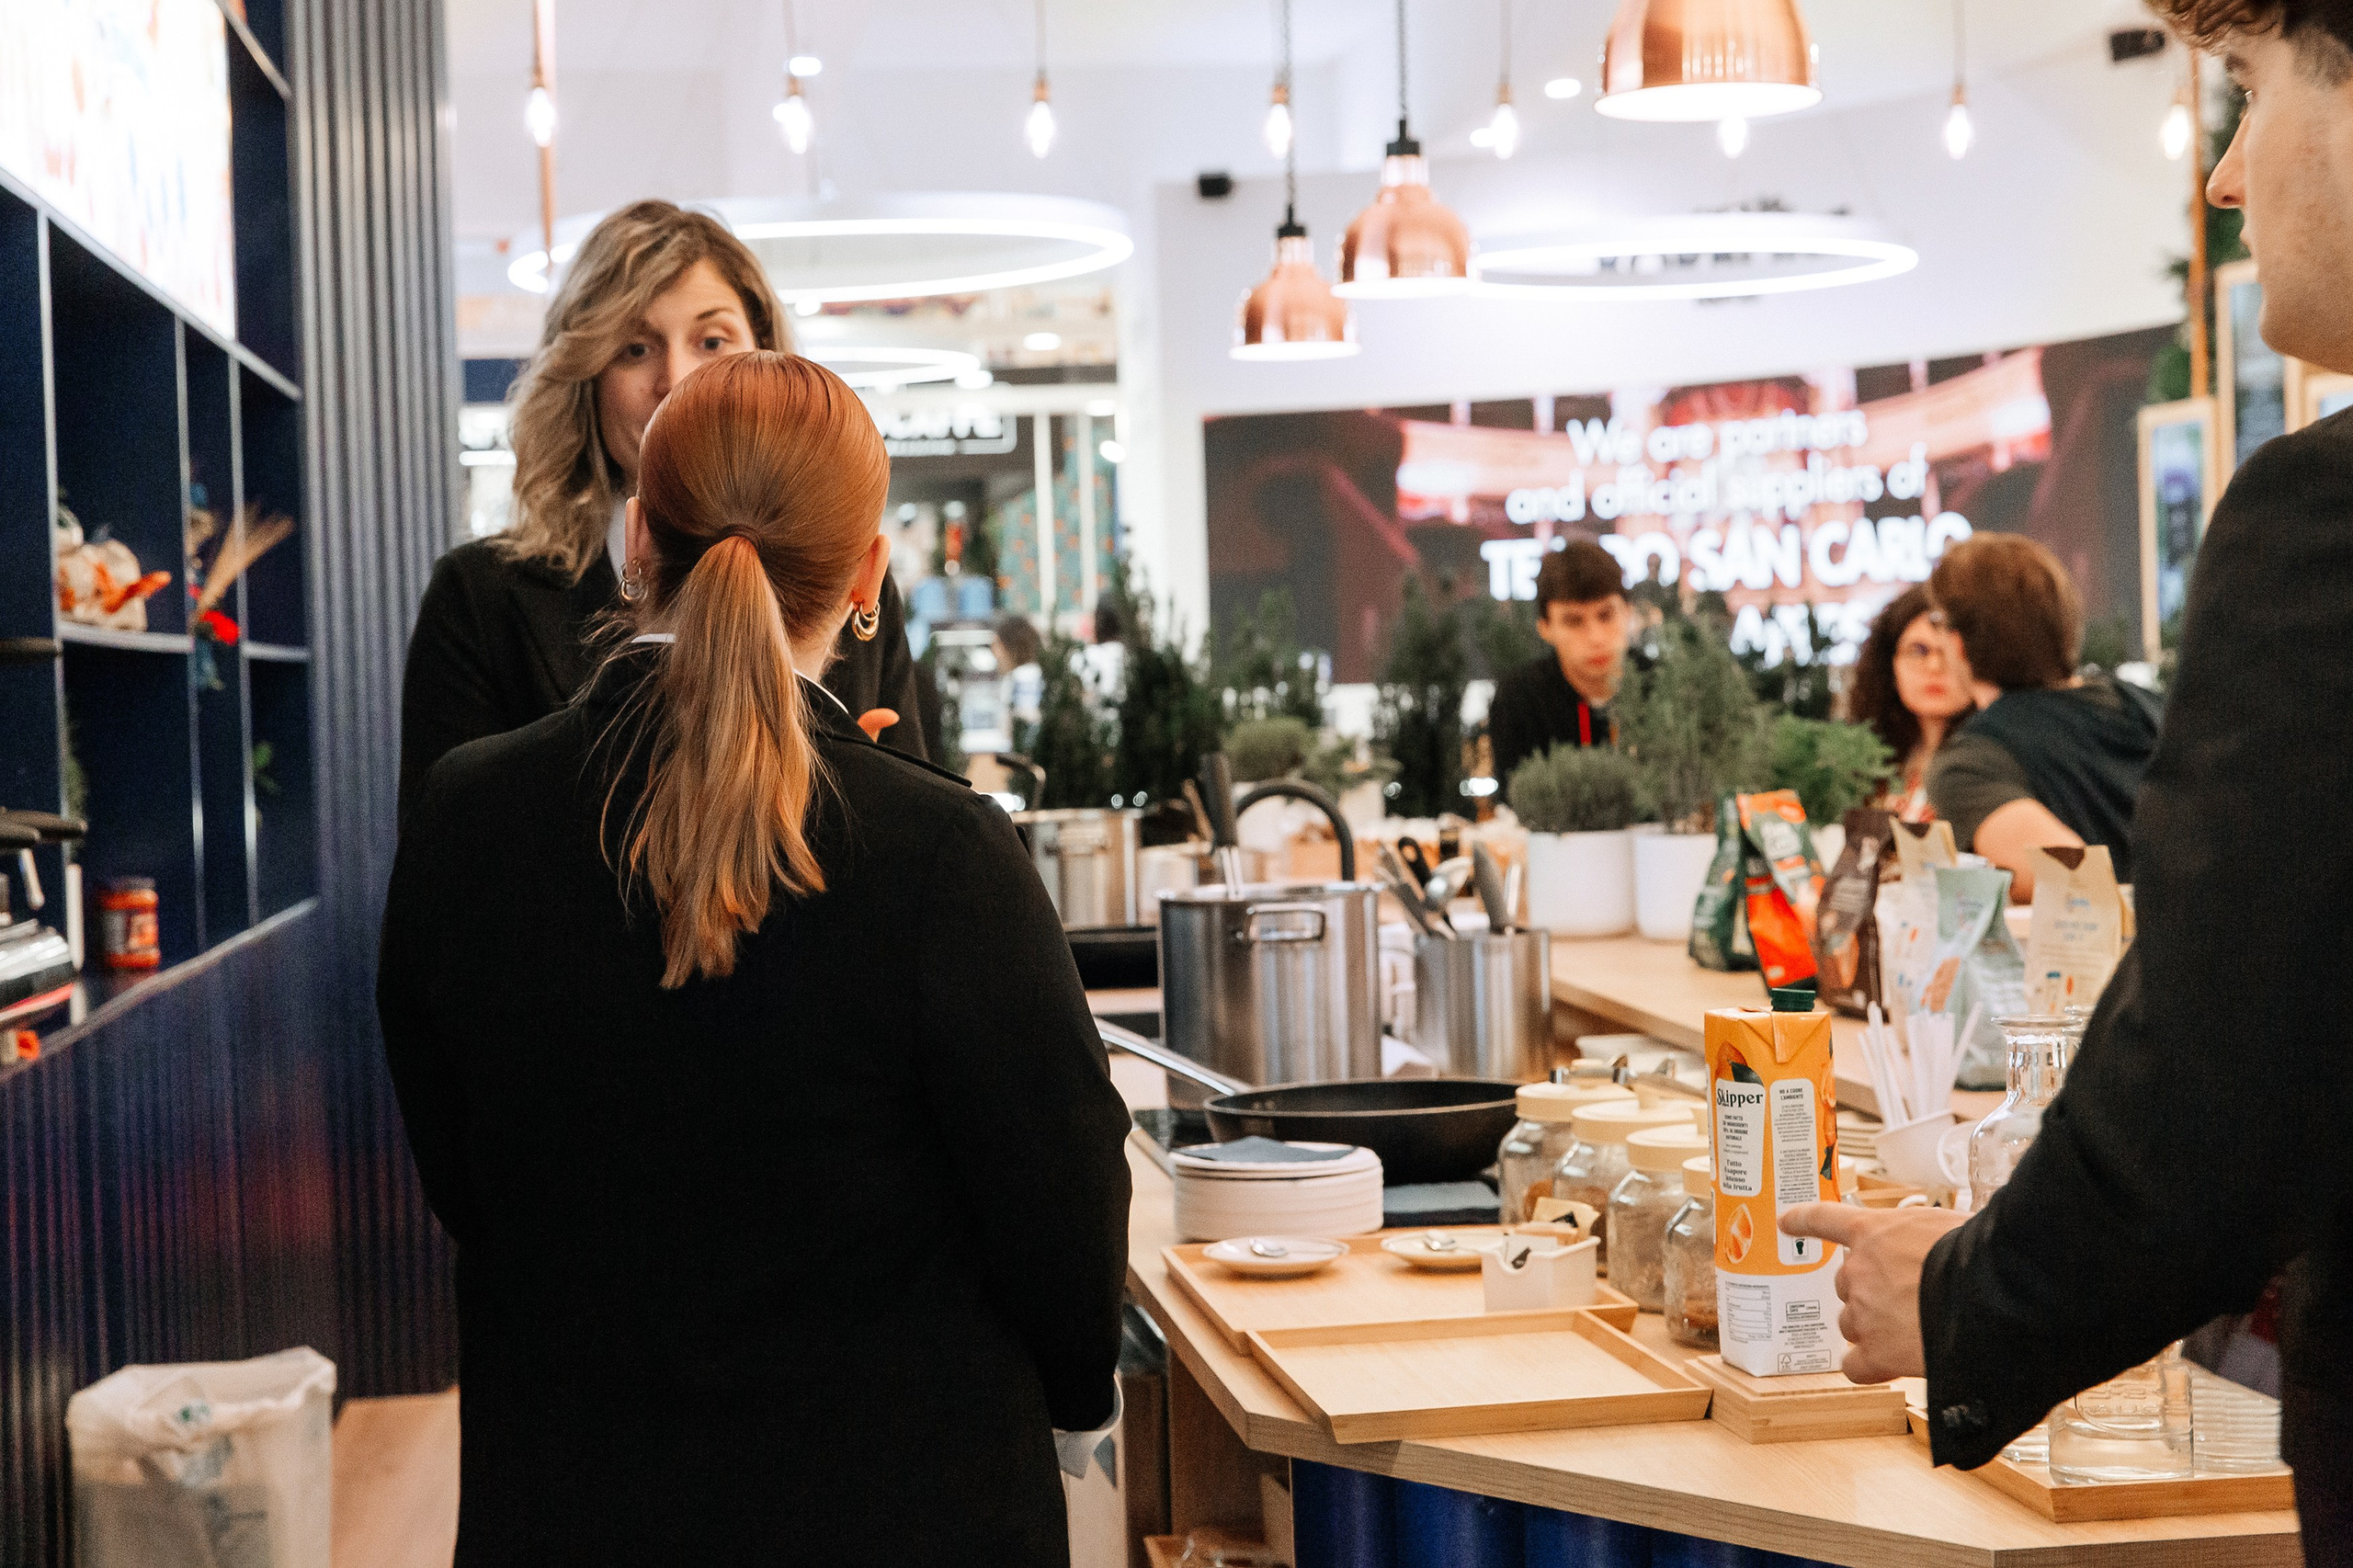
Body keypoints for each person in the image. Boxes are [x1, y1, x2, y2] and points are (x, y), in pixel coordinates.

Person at [378, 353, 1132, 1563]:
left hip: (567, 1507)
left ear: (637, 546)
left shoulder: (468, 817)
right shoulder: (942, 850)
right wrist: (1079, 1397)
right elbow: (1065, 1210)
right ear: (868, 573)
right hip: (908, 1510)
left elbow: (465, 1176)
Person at [1786, 4, 2353, 1553]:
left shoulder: (2325, 522)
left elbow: (2219, 1077)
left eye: (2250, 93)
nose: (2229, 176)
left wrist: (1963, 1299)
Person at [397, 199, 926, 826]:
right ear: (586, 378)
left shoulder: (849, 579)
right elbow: (445, 868)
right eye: (634, 349)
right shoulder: (480, 597)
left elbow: (920, 835)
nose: (675, 378)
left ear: (768, 358)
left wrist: (863, 794)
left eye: (711, 340)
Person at [1923, 534, 2160, 896]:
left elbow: (2079, 888)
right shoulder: (2149, 706)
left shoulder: (1970, 764)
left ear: (1957, 644)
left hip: (2117, 952)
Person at [1487, 540, 1631, 784]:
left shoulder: (1668, 685)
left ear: (1628, 612)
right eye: (1574, 621)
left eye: (1605, 615)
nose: (1595, 638)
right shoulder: (1520, 699)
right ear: (1545, 628)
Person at [1845, 584, 1975, 821]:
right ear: (1889, 666)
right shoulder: (1877, 760)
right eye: (1918, 651)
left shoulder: (1992, 760)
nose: (1935, 666)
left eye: (1950, 651)